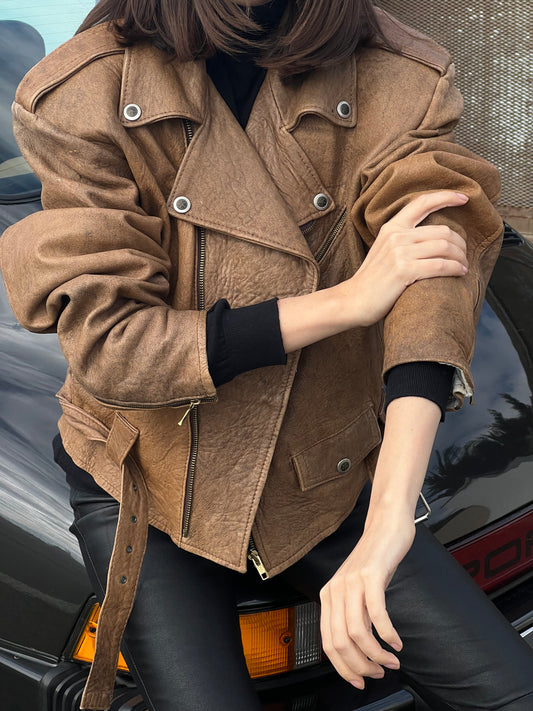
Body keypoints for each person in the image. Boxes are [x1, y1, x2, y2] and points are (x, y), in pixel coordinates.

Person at [1, 0, 532, 709]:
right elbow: (114, 347)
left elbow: (431, 284)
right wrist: (351, 298)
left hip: (319, 473)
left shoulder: (397, 71)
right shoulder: (82, 90)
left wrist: (384, 529)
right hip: (148, 477)